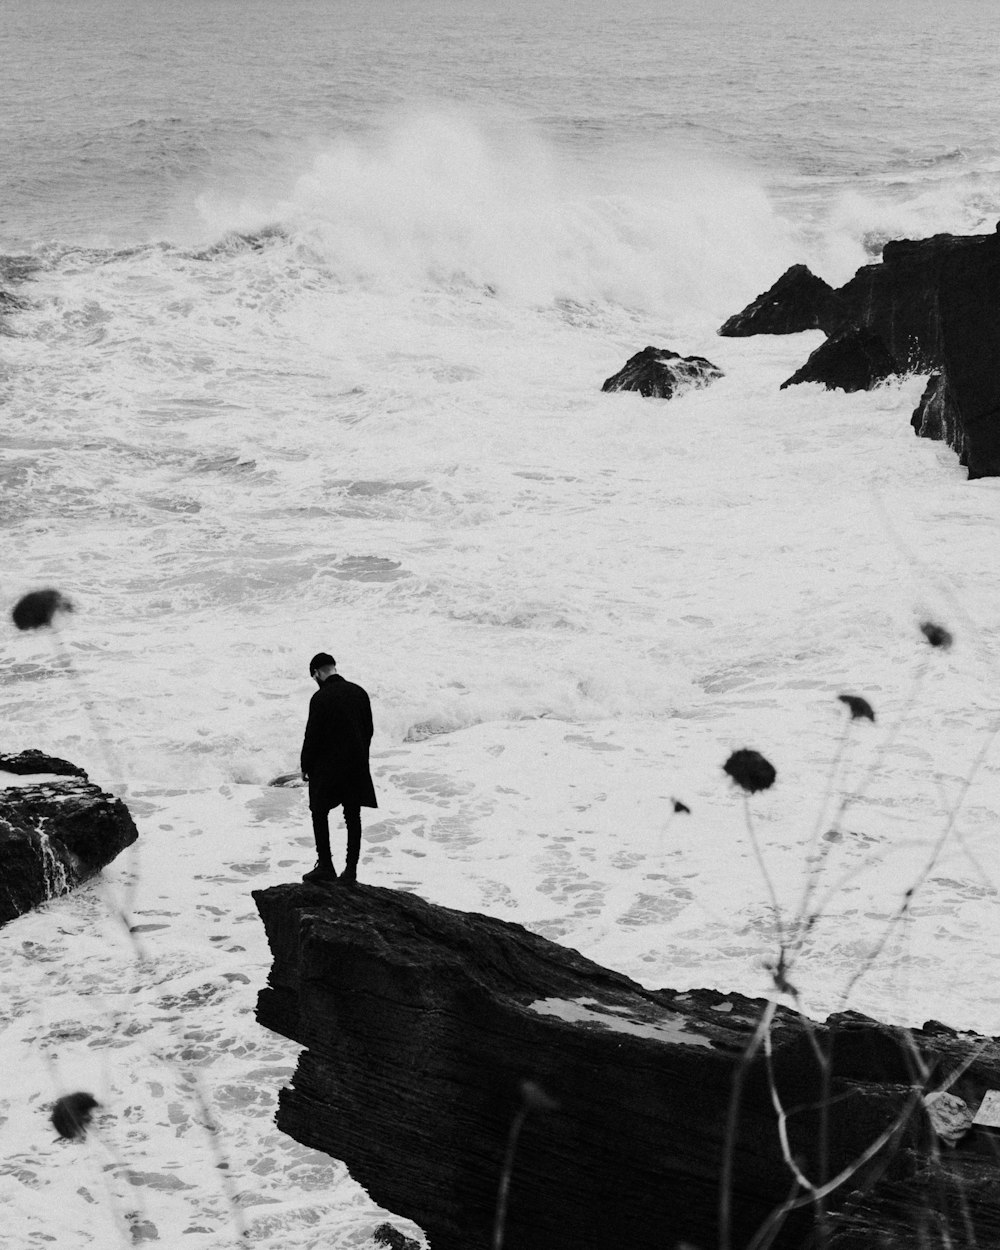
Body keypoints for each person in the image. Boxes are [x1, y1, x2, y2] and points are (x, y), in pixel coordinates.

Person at [300, 652, 377, 884]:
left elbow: (312, 735)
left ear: (317, 673)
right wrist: (361, 754)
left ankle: (325, 865)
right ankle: (351, 871)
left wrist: (306, 765)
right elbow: (369, 729)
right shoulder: (359, 692)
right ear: (333, 668)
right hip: (356, 763)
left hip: (328, 766)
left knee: (319, 811)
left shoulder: (320, 698)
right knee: (353, 814)